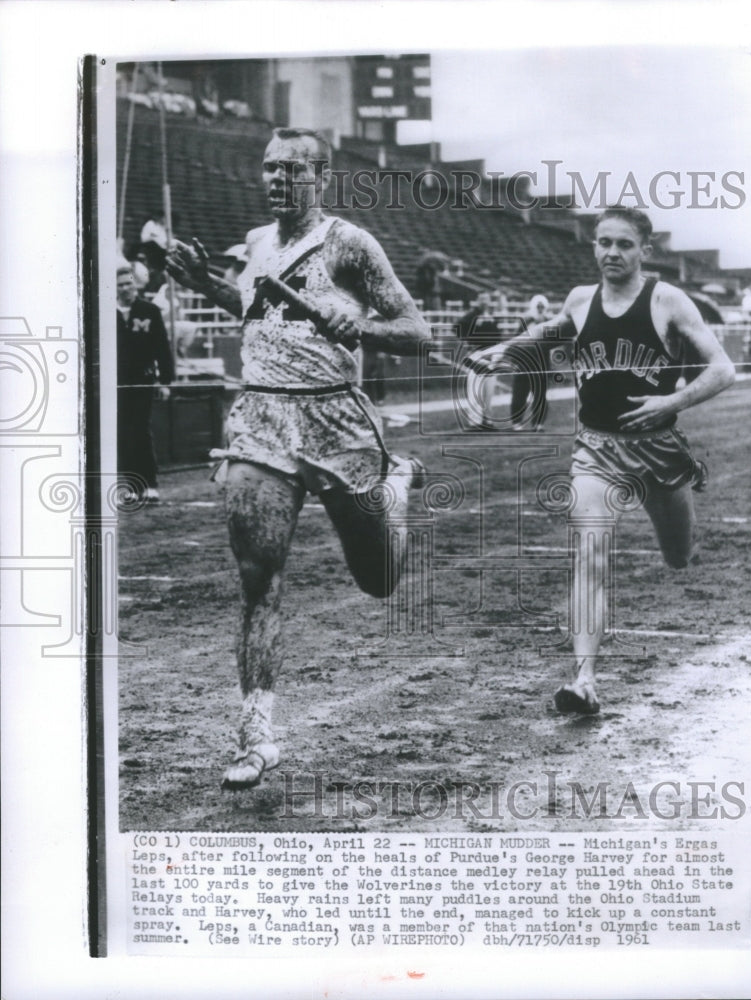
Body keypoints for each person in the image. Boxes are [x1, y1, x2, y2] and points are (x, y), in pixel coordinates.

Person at [166, 127, 430, 790]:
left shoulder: (349, 245)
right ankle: (257, 735)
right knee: (259, 578)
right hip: (261, 418)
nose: (276, 179)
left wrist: (360, 324)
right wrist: (202, 279)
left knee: (378, 580)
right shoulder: (257, 244)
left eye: (291, 169)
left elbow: (418, 332)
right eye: (268, 168)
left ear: (320, 177)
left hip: (335, 418)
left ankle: (396, 490)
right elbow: (253, 307)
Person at [491, 206, 736, 714]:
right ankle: (583, 681)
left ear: (645, 250)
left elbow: (723, 369)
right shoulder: (581, 300)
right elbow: (548, 333)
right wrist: (500, 351)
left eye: (624, 244)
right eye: (603, 242)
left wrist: (671, 402)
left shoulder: (667, 300)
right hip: (596, 449)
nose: (611, 253)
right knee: (589, 554)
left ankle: (679, 541)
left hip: (659, 451)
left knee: (678, 555)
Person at [116, 264, 175, 502]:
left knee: (140, 430)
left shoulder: (149, 311)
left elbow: (162, 346)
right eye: (120, 285)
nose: (125, 288)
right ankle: (131, 487)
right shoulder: (107, 313)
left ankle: (150, 484)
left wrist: (165, 381)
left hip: (143, 379)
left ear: (136, 285)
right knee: (123, 433)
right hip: (118, 383)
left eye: (128, 283)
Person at [458, 292, 503, 430]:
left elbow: (497, 335)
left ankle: (487, 420)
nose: (485, 302)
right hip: (477, 354)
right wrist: (468, 341)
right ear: (477, 301)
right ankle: (474, 421)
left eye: (487, 299)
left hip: (491, 355)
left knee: (489, 390)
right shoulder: (472, 316)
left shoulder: (491, 317)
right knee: (475, 389)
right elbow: (458, 327)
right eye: (482, 299)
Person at [509, 293, 554, 429]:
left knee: (540, 394)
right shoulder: (525, 321)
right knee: (520, 393)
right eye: (538, 306)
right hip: (524, 361)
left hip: (541, 362)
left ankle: (538, 423)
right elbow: (515, 341)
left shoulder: (548, 322)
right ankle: (517, 422)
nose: (540, 309)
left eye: (542, 306)